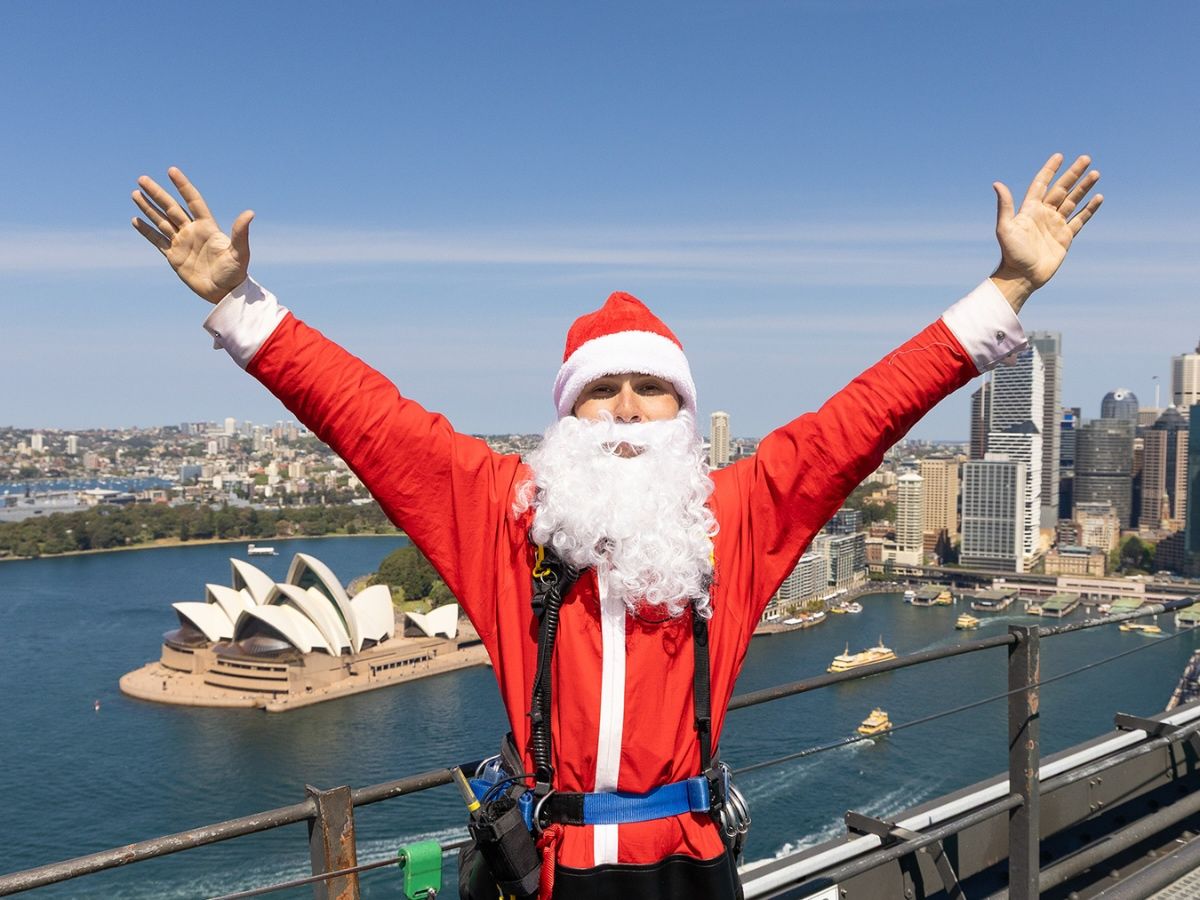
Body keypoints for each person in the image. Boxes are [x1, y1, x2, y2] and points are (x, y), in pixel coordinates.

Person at [131, 155, 1102, 898]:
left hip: (692, 868)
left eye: (652, 389)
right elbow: (370, 418)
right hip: (550, 873)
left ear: (682, 417)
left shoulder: (732, 518)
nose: (630, 408)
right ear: (567, 414)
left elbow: (865, 415)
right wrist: (238, 304)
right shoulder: (508, 519)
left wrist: (1006, 288)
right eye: (603, 389)